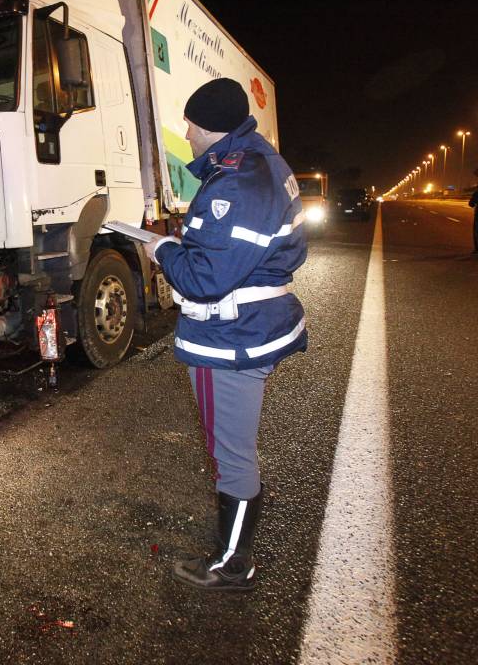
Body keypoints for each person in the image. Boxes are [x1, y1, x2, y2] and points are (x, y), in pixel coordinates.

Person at [140, 77, 308, 592]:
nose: (185, 132)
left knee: (230, 454)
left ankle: (233, 564)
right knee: (237, 446)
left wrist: (161, 251)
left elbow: (205, 280)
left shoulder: (240, 181)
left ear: (210, 125)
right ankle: (247, 499)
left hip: (228, 339)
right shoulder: (253, 163)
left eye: (190, 123)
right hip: (250, 328)